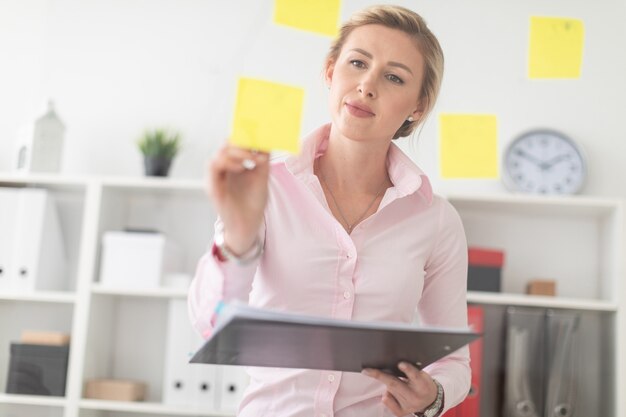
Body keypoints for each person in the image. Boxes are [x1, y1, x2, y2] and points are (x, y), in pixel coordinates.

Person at [188, 4, 470, 417]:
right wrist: (237, 237)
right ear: (330, 71)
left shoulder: (436, 219)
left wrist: (434, 396)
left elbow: (454, 363)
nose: (367, 85)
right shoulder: (263, 187)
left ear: (418, 107)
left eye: (394, 77)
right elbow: (209, 326)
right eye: (357, 63)